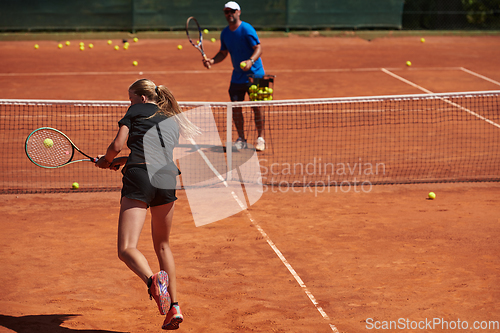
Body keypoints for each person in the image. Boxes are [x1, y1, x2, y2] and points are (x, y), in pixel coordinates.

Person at [95, 78, 197, 330]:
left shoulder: (136, 110)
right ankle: (174, 306)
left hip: (140, 178)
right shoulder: (171, 117)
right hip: (166, 178)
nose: (129, 103)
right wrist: (120, 162)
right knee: (163, 245)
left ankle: (153, 281)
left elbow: (117, 145)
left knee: (126, 248)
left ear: (141, 98)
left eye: (130, 98)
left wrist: (106, 159)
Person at [203, 1, 266, 151]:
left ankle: (260, 138)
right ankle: (241, 138)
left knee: (257, 107)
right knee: (235, 108)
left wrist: (251, 61)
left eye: (232, 11)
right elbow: (223, 53)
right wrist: (212, 60)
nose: (229, 14)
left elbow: (258, 48)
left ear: (239, 12)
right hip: (237, 76)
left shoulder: (246, 29)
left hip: (256, 74)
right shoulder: (225, 33)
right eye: (226, 12)